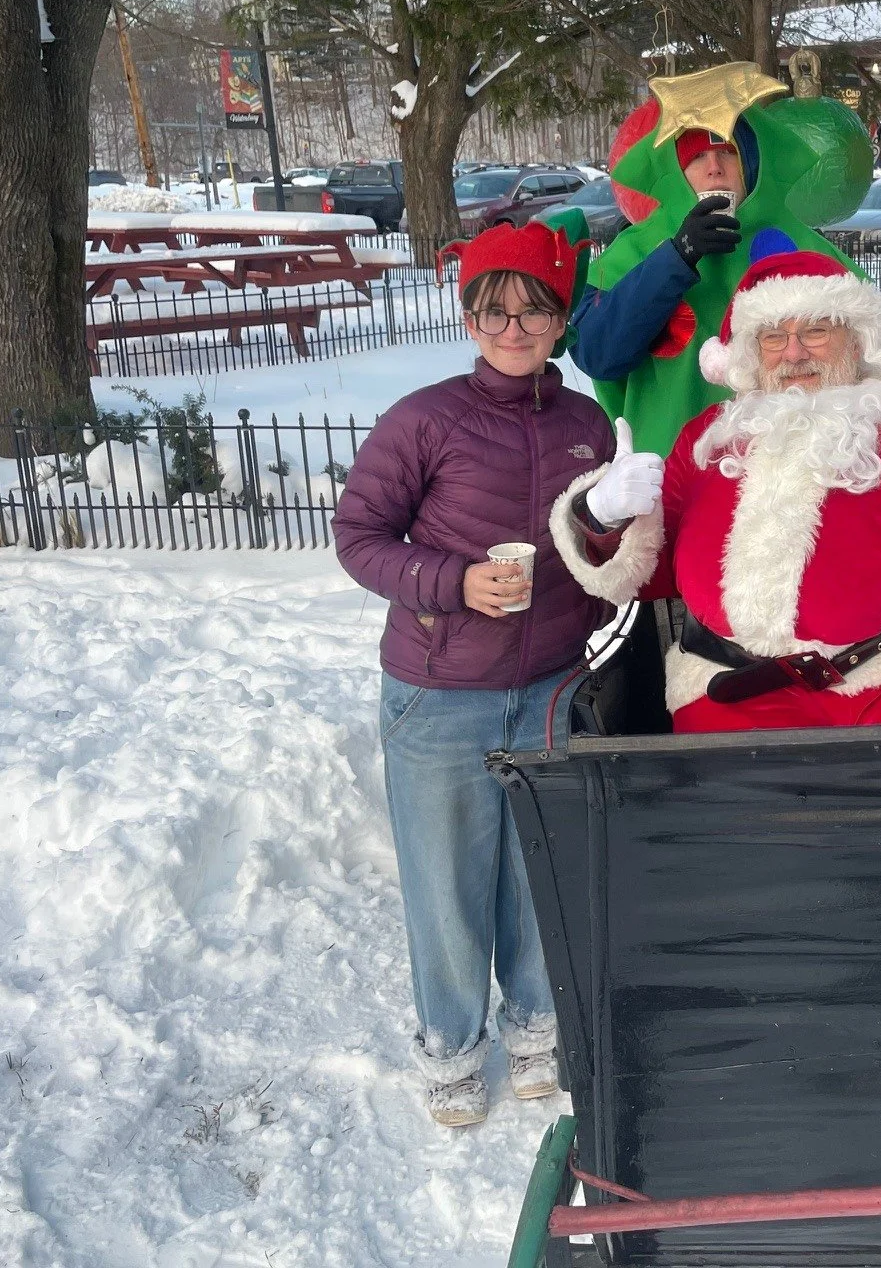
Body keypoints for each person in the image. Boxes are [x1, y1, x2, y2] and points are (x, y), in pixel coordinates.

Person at [549, 233, 881, 731]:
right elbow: (647, 571)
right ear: (747, 355)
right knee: (715, 818)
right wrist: (604, 516)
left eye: (815, 331)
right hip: (741, 690)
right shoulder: (708, 442)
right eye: (773, 337)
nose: (793, 352)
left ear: (856, 344)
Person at [332, 220, 616, 1127]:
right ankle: (452, 1046)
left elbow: (596, 547)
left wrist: (612, 541)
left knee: (540, 870)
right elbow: (358, 539)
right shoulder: (426, 418)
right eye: (495, 310)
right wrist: (453, 582)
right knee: (447, 877)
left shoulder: (584, 424)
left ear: (559, 320)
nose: (514, 327)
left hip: (552, 686)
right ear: (470, 317)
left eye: (533, 309)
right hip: (439, 689)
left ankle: (535, 1025)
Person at [568, 62, 874, 457]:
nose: (714, 167)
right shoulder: (634, 252)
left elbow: (870, 355)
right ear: (676, 170)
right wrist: (676, 259)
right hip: (673, 478)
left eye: (727, 151)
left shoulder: (806, 249)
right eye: (697, 157)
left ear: (751, 164)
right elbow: (597, 353)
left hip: (790, 476)